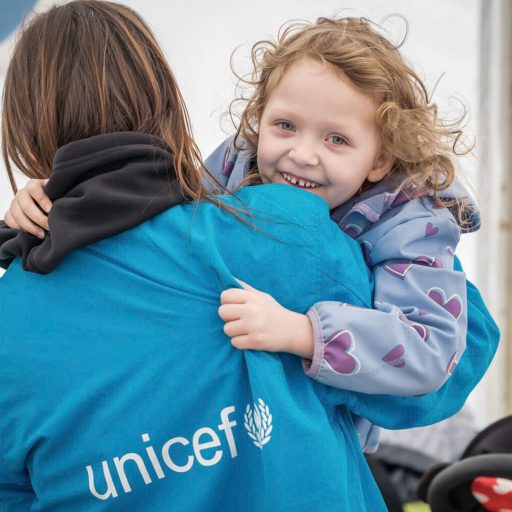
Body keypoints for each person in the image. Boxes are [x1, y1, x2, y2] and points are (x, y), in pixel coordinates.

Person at [1, 2, 496, 511]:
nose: (304, 155)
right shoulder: (277, 221)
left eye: (337, 139)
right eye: (285, 126)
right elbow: (461, 356)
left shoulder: (14, 307)